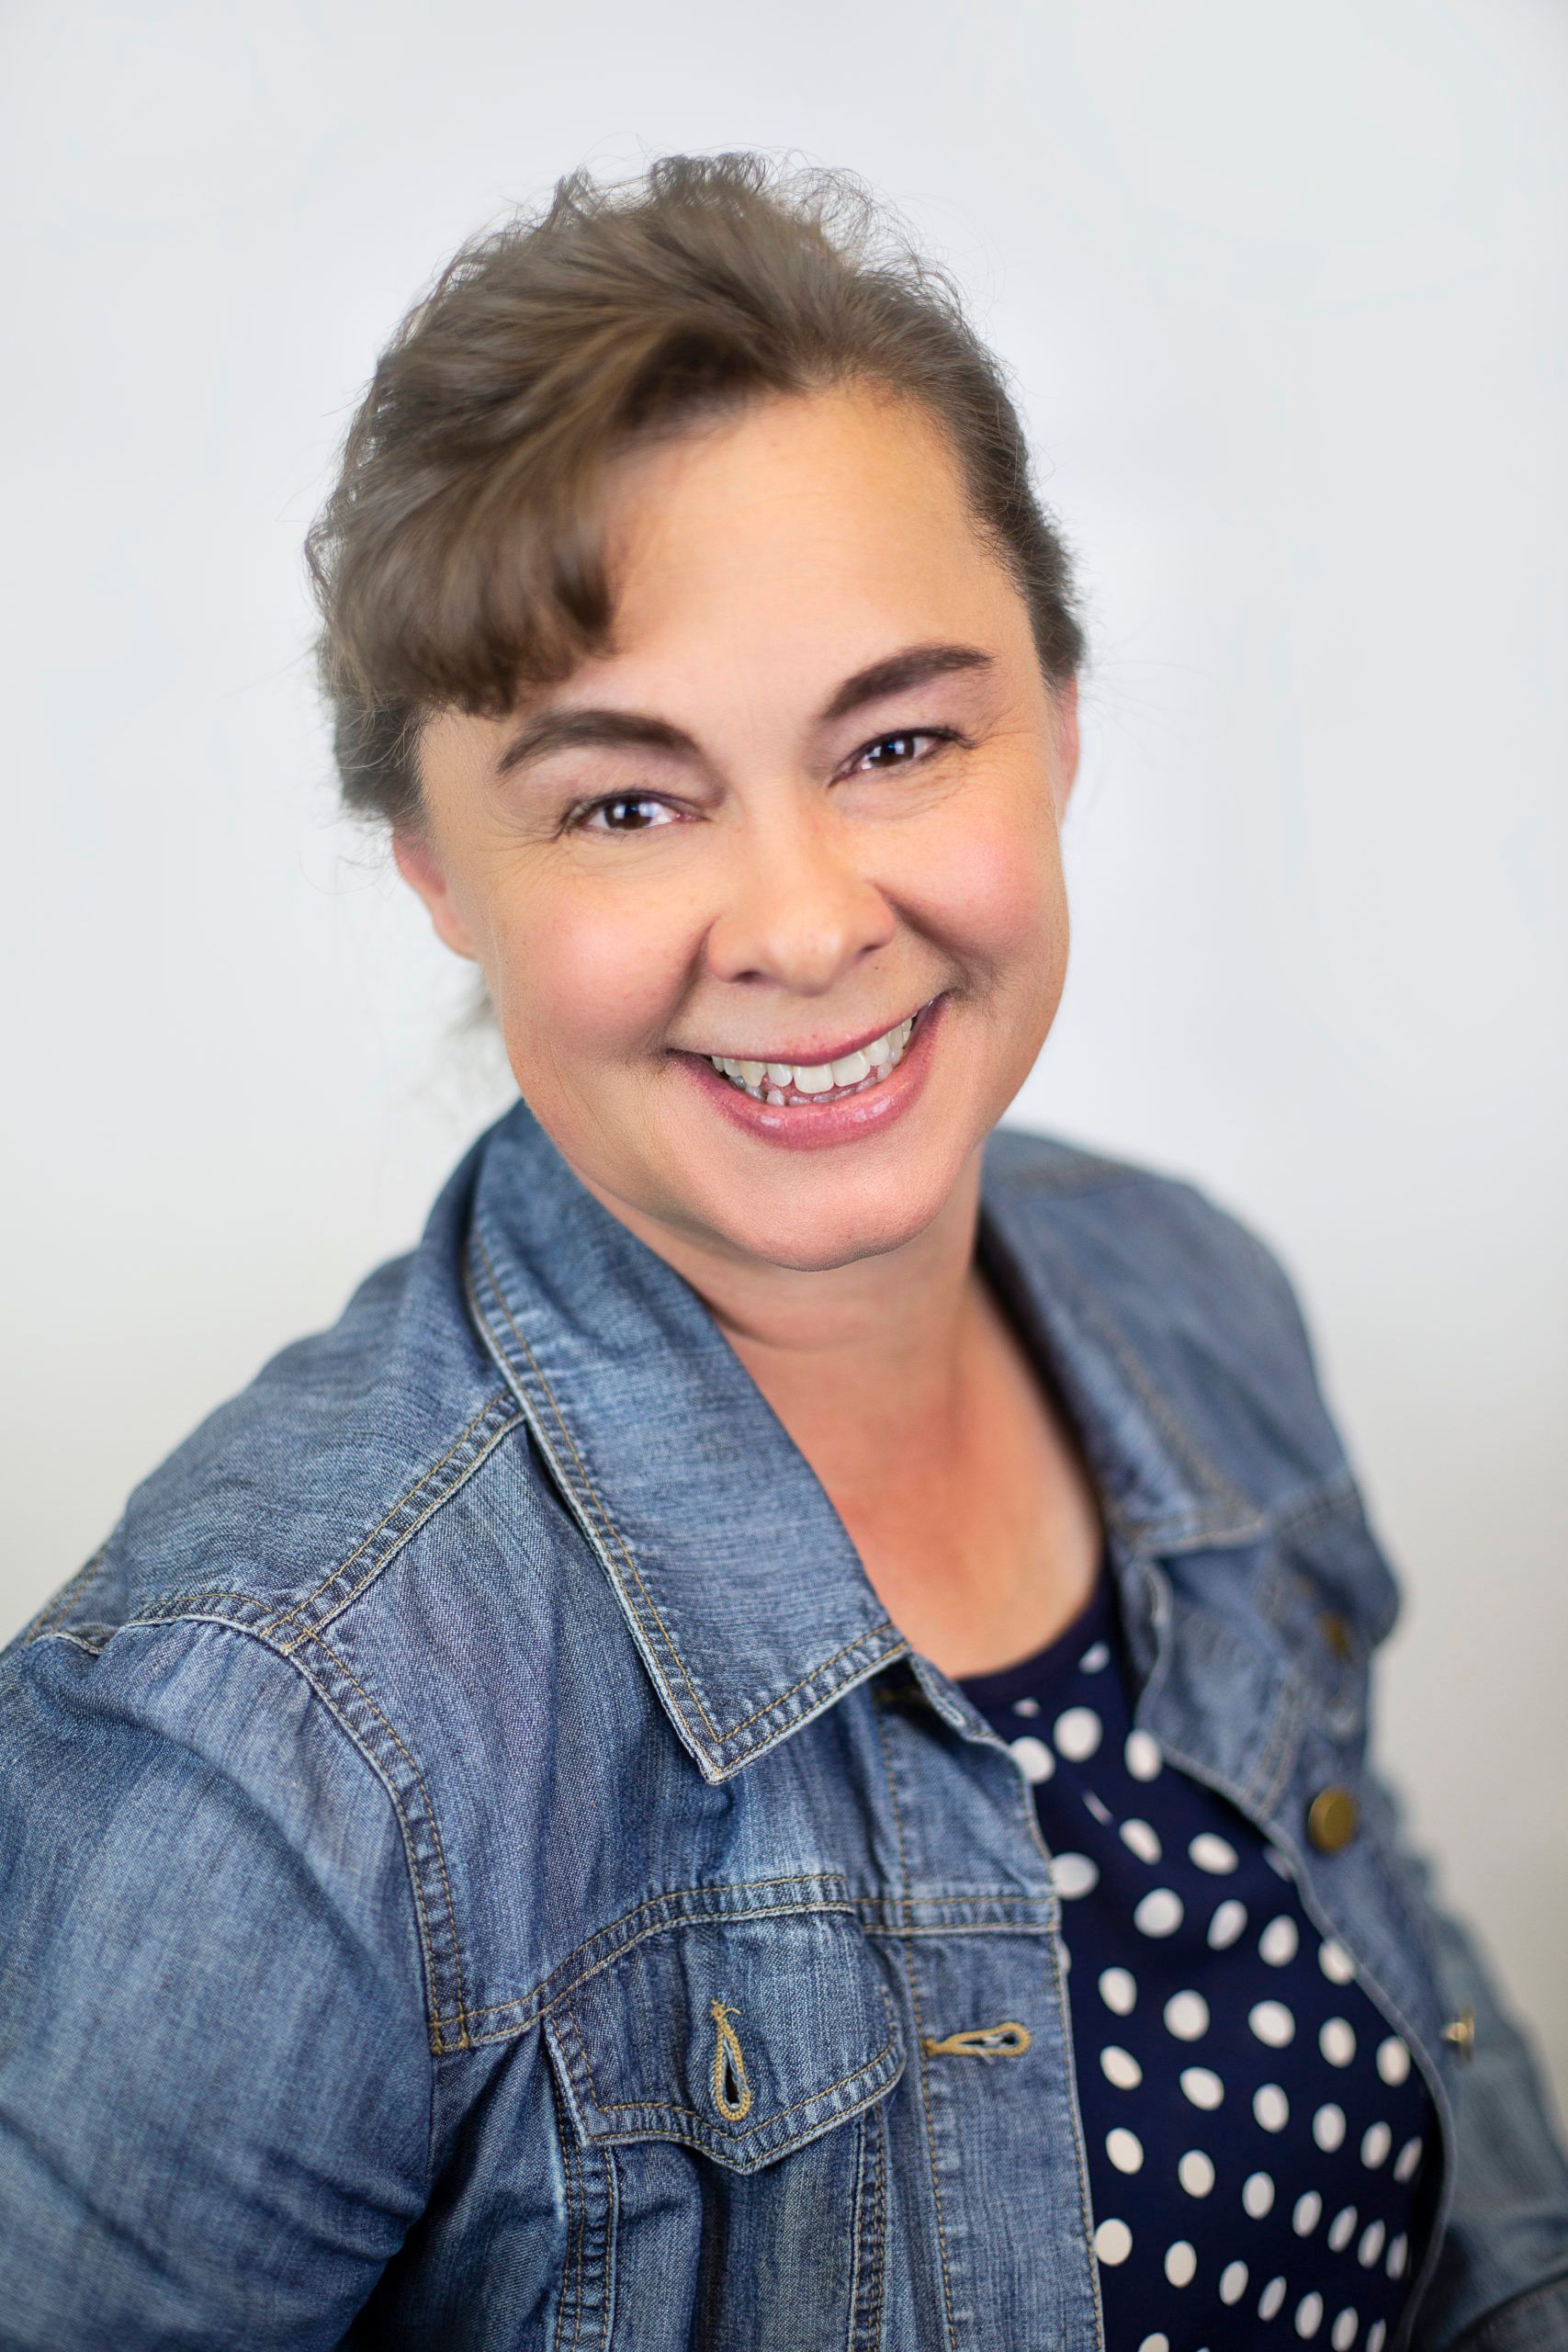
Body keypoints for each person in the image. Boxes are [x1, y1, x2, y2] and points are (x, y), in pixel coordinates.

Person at [1, 151, 1563, 2352]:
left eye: (901, 739)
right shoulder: (266, 1726)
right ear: (438, 867)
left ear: (1063, 719)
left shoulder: (1190, 1303)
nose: (812, 918)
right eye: (626, 800)